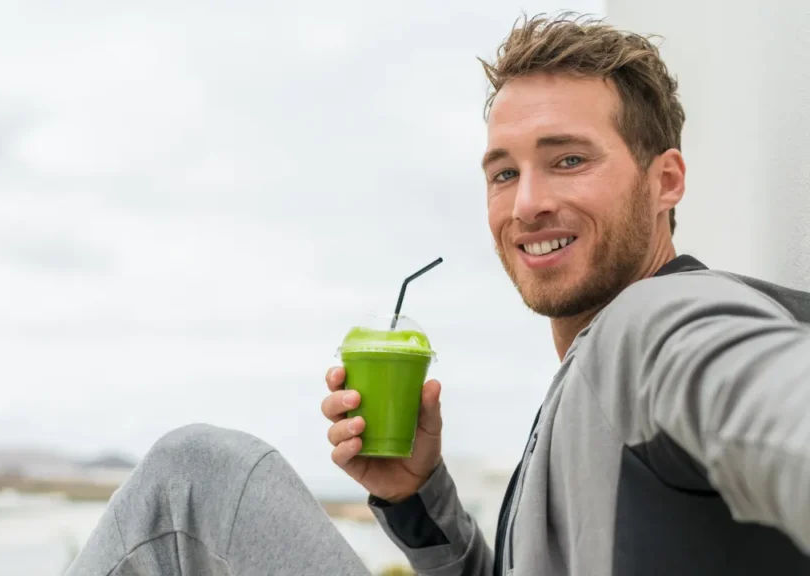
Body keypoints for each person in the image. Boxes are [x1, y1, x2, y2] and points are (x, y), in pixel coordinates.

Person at [65, 13, 810, 576]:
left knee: (194, 478)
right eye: (504, 173)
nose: (526, 206)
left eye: (569, 159)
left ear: (666, 181)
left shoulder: (659, 324)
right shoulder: (585, 391)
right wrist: (417, 496)